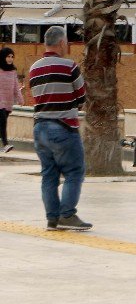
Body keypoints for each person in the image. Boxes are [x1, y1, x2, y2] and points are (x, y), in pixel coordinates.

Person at [29, 26, 90, 231]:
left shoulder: (34, 68)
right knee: (75, 170)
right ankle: (67, 214)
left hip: (39, 128)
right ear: (62, 43)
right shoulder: (69, 66)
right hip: (63, 127)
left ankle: (52, 218)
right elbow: (81, 98)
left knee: (48, 174)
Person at [0, 47, 24, 152]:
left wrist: (20, 99)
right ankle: (5, 144)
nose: (10, 59)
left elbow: (15, 87)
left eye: (12, 57)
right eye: (8, 56)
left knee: (2, 123)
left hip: (8, 102)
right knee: (3, 122)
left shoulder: (13, 71)